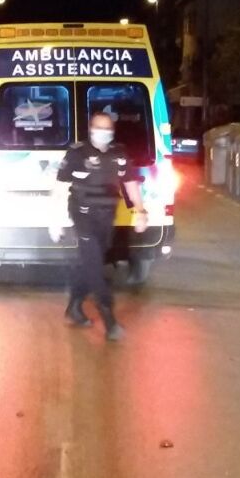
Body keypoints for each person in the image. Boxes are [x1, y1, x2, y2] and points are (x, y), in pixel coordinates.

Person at [52, 111, 148, 341]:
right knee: (95, 266)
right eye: (98, 128)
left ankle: (74, 307)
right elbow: (60, 187)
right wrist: (55, 219)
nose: (103, 133)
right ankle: (109, 318)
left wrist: (140, 210)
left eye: (107, 129)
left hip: (107, 215)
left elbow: (130, 182)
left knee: (91, 262)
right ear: (91, 129)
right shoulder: (77, 153)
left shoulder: (119, 153)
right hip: (83, 212)